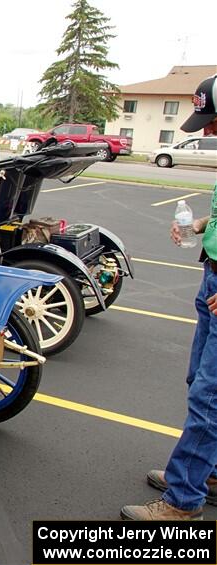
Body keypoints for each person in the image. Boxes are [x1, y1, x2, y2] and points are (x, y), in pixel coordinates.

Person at [121, 74, 217, 520]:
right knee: (199, 380)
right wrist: (201, 226)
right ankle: (207, 471)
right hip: (211, 278)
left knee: (209, 397)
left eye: (214, 121)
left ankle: (182, 502)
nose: (210, 131)